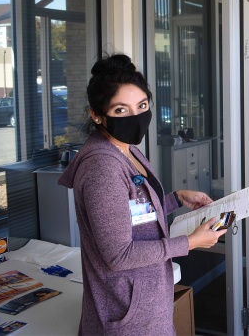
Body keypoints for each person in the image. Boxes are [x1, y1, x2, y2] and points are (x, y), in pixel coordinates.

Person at [58, 53, 227, 335]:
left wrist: (175, 199)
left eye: (142, 105)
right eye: (121, 110)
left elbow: (132, 212)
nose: (136, 117)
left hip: (146, 303)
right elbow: (119, 255)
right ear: (97, 115)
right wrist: (190, 242)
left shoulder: (127, 149)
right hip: (126, 314)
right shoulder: (102, 168)